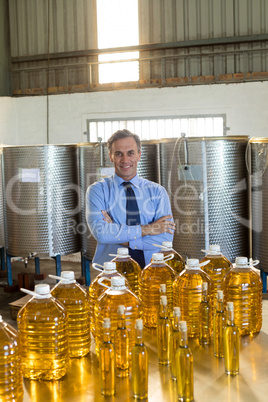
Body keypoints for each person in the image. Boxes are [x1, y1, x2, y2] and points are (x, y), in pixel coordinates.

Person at [86, 129, 175, 268]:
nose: (125, 160)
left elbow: (165, 239)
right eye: (119, 154)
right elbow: (102, 234)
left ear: (139, 155)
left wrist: (120, 239)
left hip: (152, 270)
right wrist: (148, 229)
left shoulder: (157, 192)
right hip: (111, 270)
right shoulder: (98, 191)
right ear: (111, 156)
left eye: (130, 153)